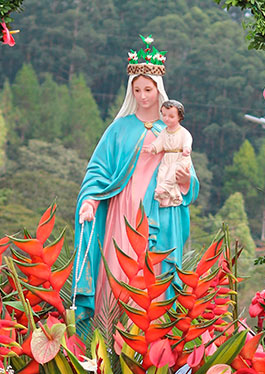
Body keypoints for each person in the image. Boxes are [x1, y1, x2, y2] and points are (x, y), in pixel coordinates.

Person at [72, 36, 199, 324]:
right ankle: (106, 339)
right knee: (117, 272)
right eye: (138, 89)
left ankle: (151, 354)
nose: (143, 96)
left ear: (159, 90)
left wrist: (185, 179)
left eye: (149, 89)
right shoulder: (119, 129)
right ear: (131, 91)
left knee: (154, 276)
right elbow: (98, 170)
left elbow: (188, 173)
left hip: (160, 215)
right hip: (121, 214)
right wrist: (90, 201)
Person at [143, 100, 192, 207]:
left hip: (180, 158)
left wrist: (186, 148)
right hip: (167, 157)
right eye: (164, 115)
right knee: (162, 172)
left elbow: (188, 140)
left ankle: (165, 188)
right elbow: (159, 143)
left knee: (173, 171)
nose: (166, 118)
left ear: (179, 117)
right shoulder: (164, 132)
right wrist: (152, 147)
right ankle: (164, 198)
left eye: (171, 116)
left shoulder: (183, 132)